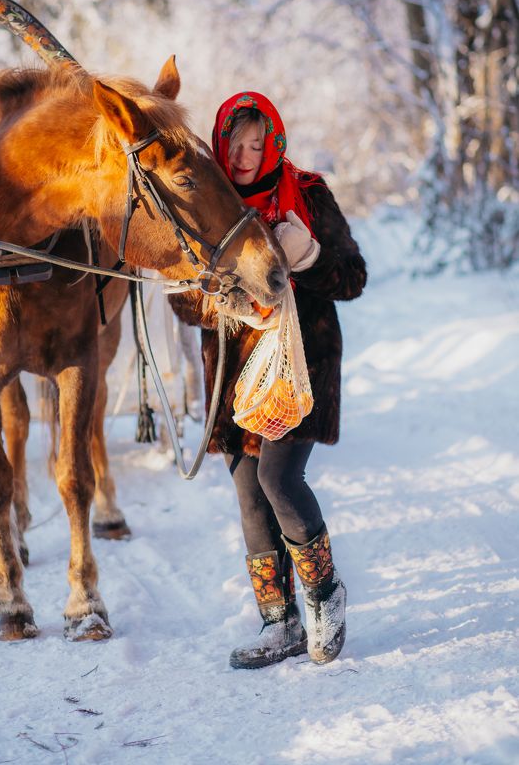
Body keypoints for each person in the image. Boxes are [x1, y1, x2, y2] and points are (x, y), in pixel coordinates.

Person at [172, 91, 366, 670]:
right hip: (236, 374)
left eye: (258, 144)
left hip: (303, 365)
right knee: (250, 494)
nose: (246, 156)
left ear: (275, 142)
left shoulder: (307, 193)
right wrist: (207, 295)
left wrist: (306, 260)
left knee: (280, 479)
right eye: (235, 143)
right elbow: (185, 305)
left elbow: (352, 278)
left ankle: (324, 597)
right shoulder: (210, 200)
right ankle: (276, 623)